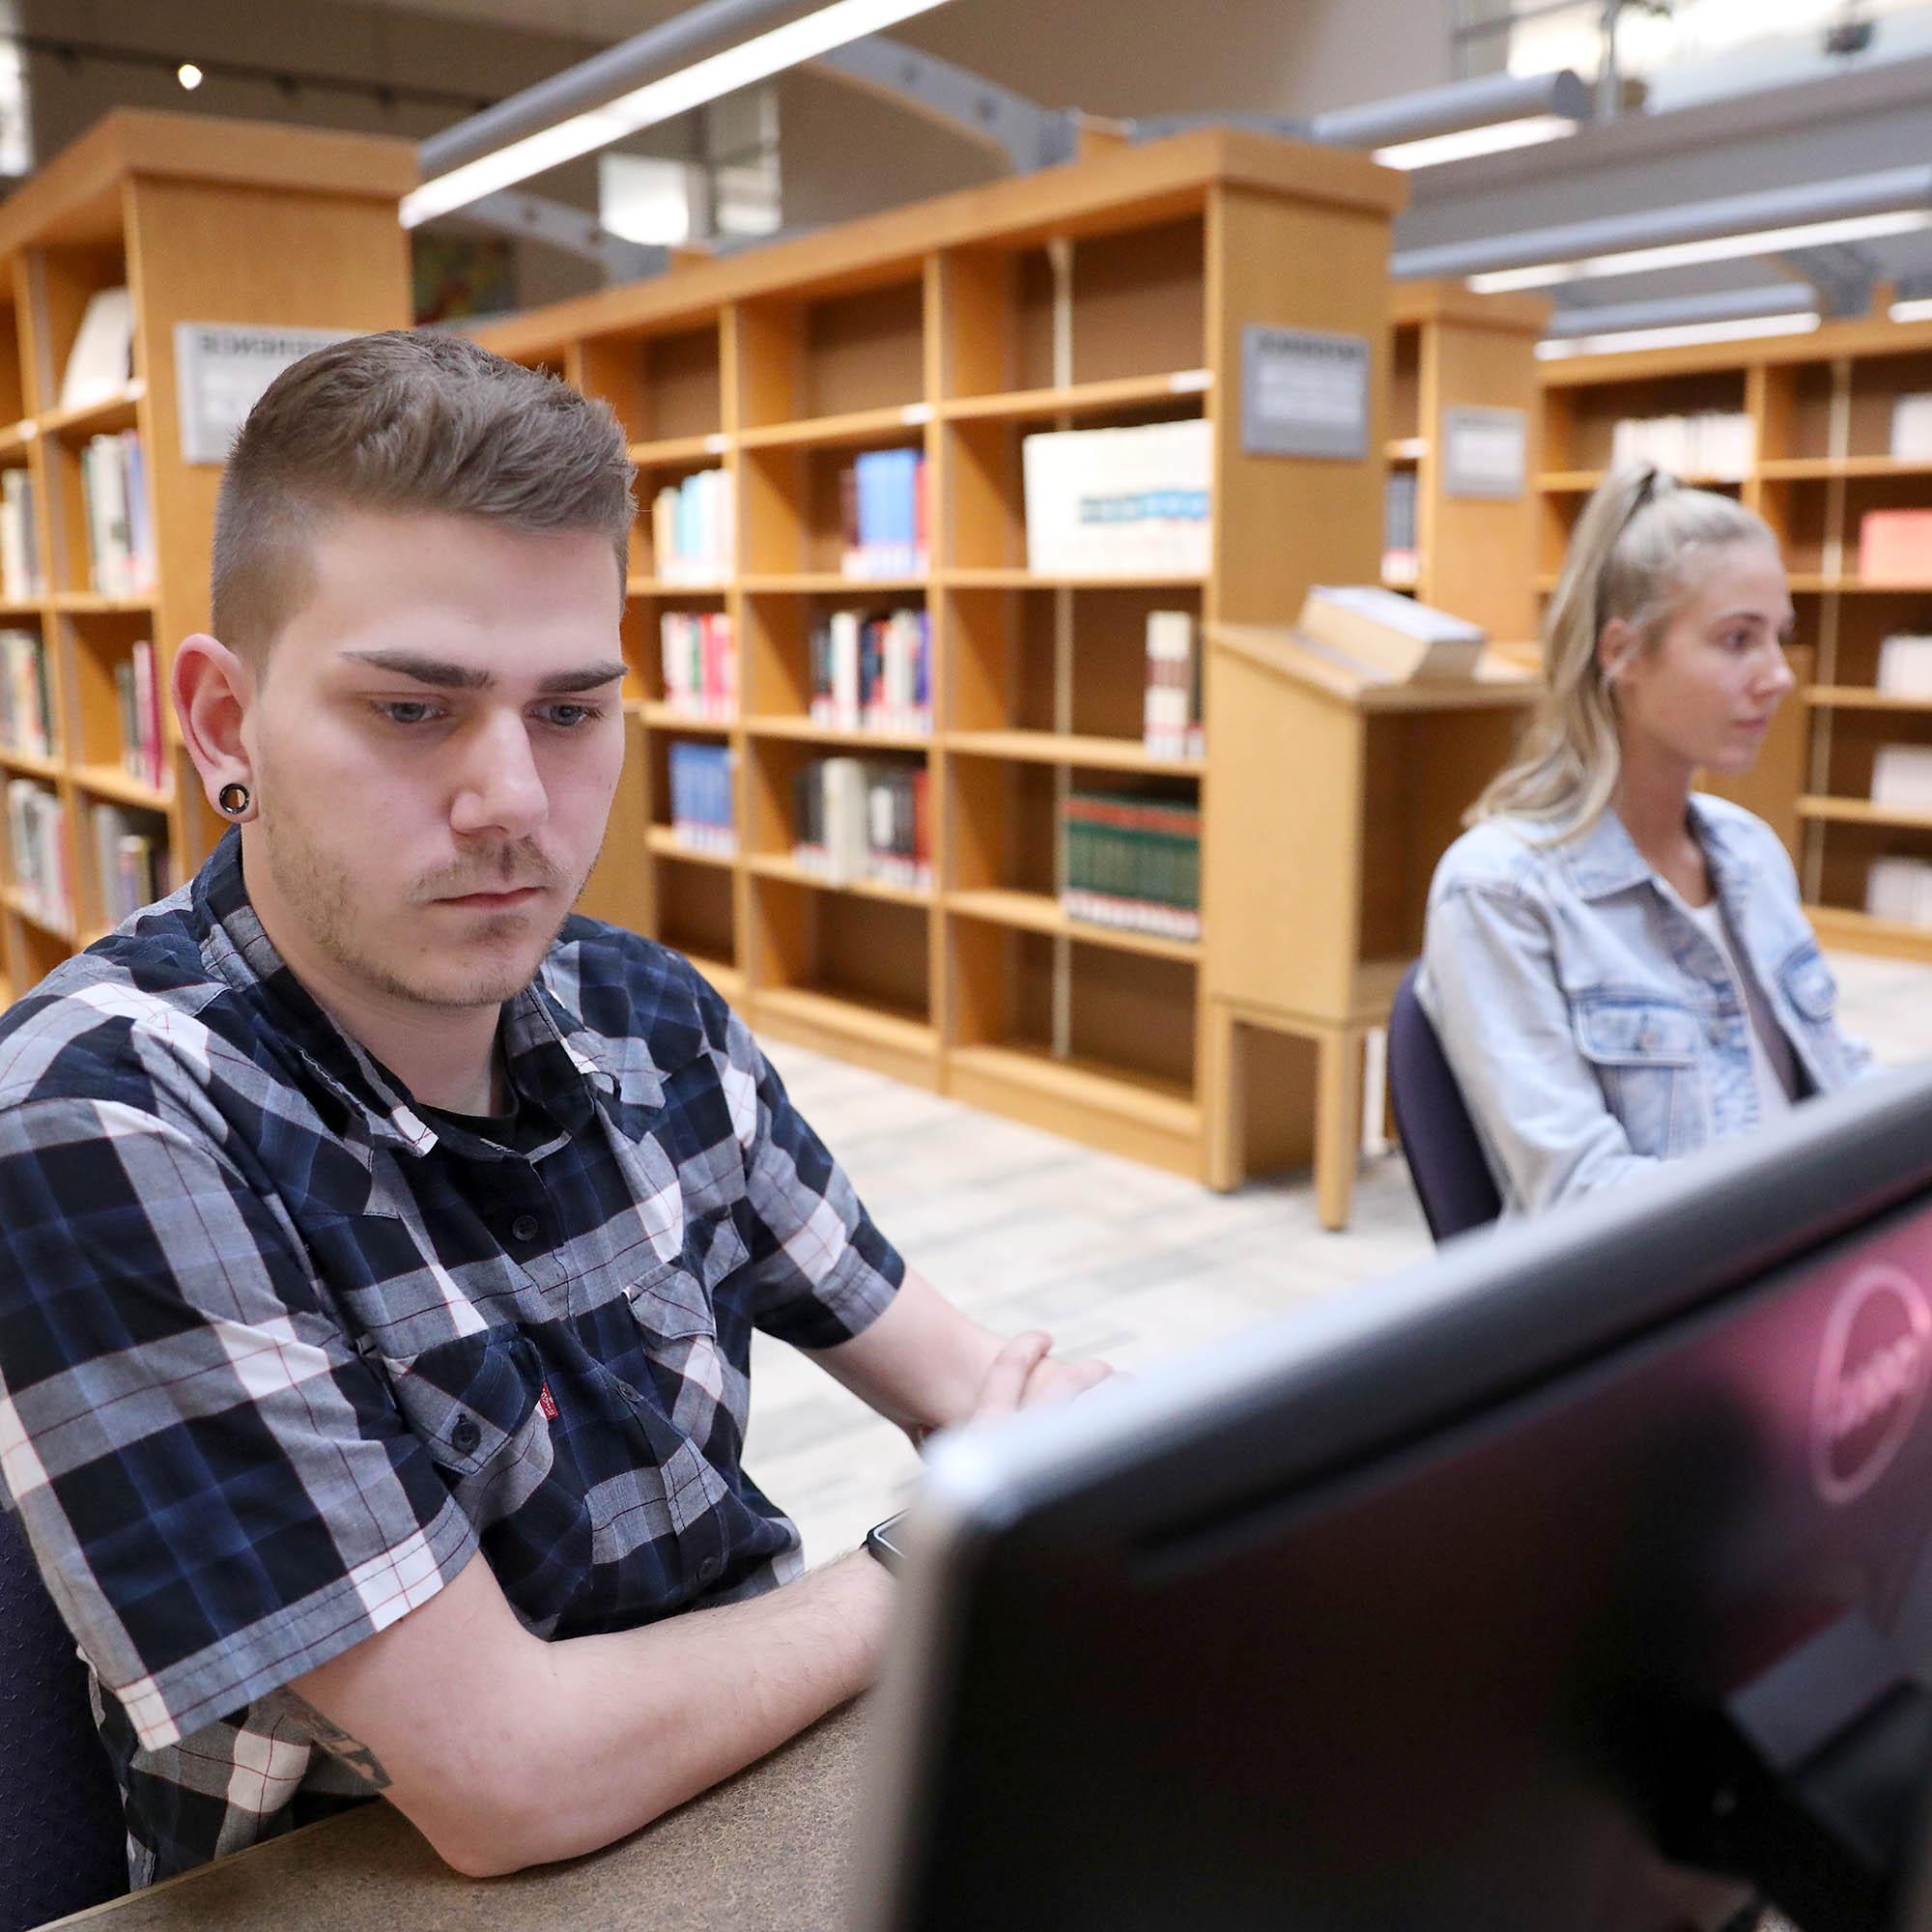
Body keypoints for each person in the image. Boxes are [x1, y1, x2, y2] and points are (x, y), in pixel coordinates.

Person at [0, 332, 1107, 1888]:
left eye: (572, 713)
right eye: (411, 712)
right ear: (224, 725)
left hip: (745, 1794)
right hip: (375, 1892)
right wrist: (936, 1555)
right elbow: (502, 1777)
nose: (513, 800)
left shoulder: (644, 1014)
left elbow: (976, 1381)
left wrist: (1127, 1458)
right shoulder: (102, 1113)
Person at [1418, 464, 1869, 1219]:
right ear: (1622, 652)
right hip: (1680, 1300)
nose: (1778, 676)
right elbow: (1583, 1201)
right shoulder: (1500, 890)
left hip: (1811, 1260)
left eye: (1778, 638)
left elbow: (1842, 1085)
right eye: (1737, 641)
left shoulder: (1750, 854)